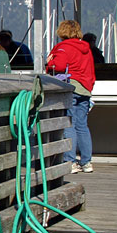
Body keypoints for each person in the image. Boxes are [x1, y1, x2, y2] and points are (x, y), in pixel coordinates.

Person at [47, 20, 96, 174]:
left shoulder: (63, 47)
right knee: (82, 125)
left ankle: (70, 161)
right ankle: (87, 162)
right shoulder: (86, 48)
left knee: (69, 124)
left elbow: (59, 66)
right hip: (85, 89)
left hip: (72, 87)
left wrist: (49, 62)